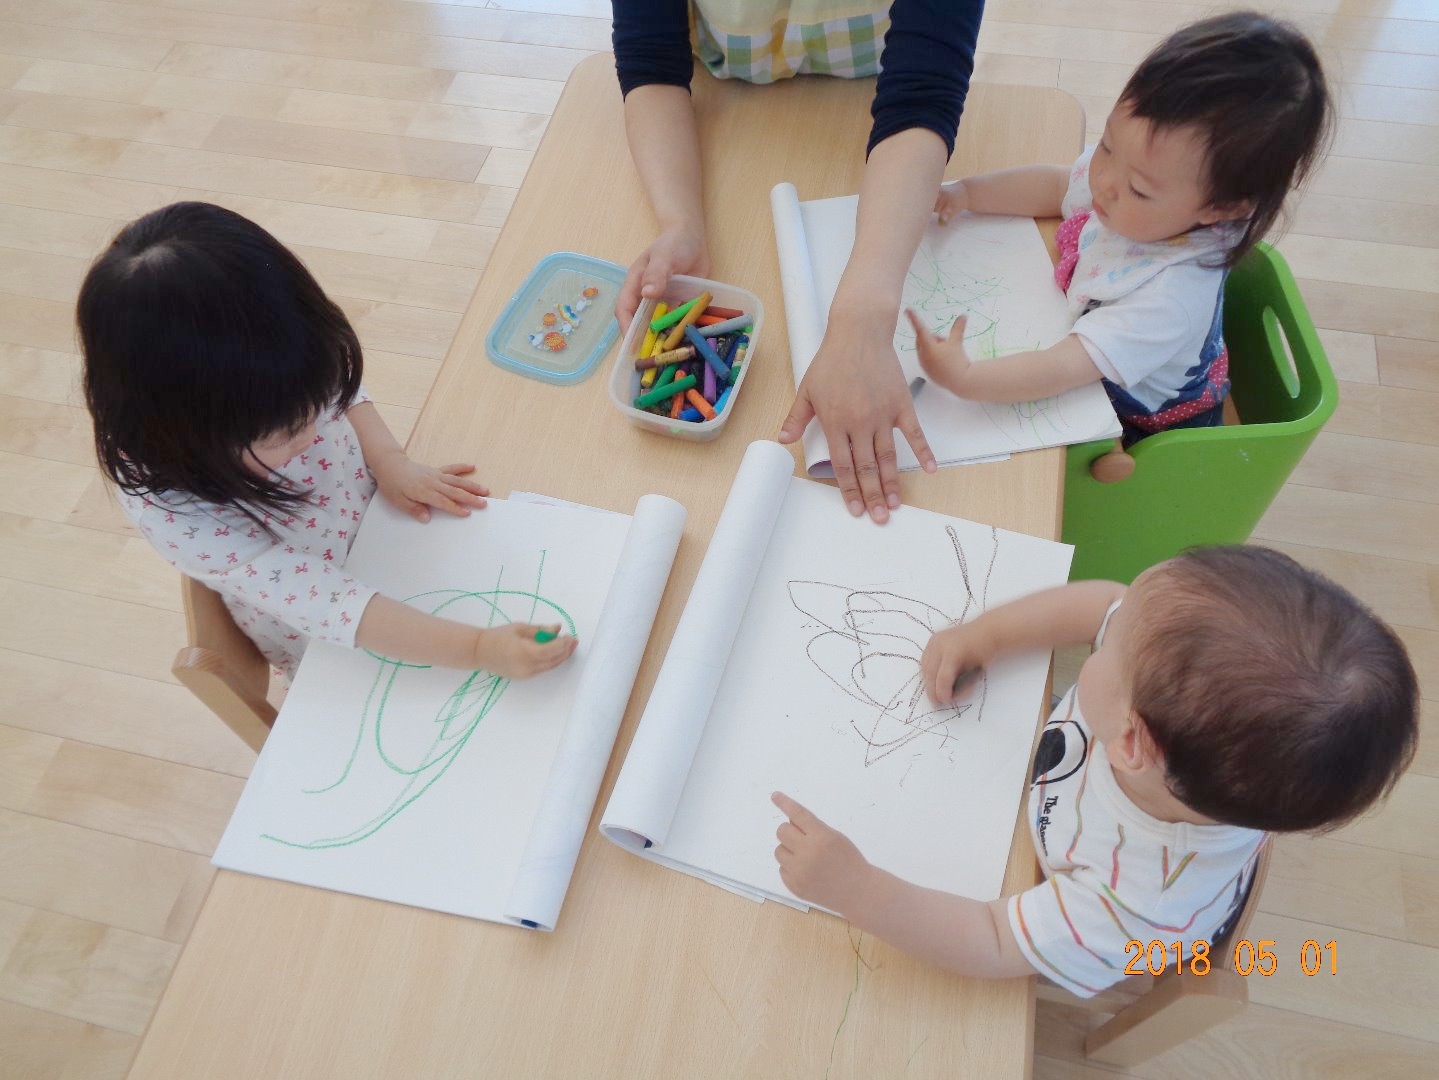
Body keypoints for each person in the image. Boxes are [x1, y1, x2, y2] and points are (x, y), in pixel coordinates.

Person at [772, 546, 1418, 995]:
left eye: (1109, 647)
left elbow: (992, 941)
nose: (1108, 625)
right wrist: (983, 636)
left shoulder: (1131, 902)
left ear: (1130, 743)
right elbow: (1104, 603)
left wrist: (857, 890)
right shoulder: (1158, 702)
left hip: (1081, 909)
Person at [79, 202, 578, 683]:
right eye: (283, 432)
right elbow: (331, 604)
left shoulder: (277, 364)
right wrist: (478, 649)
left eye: (315, 405)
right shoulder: (181, 513)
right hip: (332, 634)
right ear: (188, 435)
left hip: (384, 536)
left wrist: (388, 459)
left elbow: (343, 388)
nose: (315, 432)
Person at [612, 0, 985, 523]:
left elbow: (925, 92)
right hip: (728, 97)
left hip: (876, 102)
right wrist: (680, 223)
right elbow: (650, 61)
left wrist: (863, 317)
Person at [911, 11, 1332, 443]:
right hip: (1103, 350)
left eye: (1138, 189)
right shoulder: (1145, 174)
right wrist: (967, 193)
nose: (1104, 181)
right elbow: (1056, 185)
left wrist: (966, 378)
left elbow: (1061, 367)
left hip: (1149, 420)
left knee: (1058, 462)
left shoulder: (1168, 299)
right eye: (1108, 146)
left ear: (1221, 208)